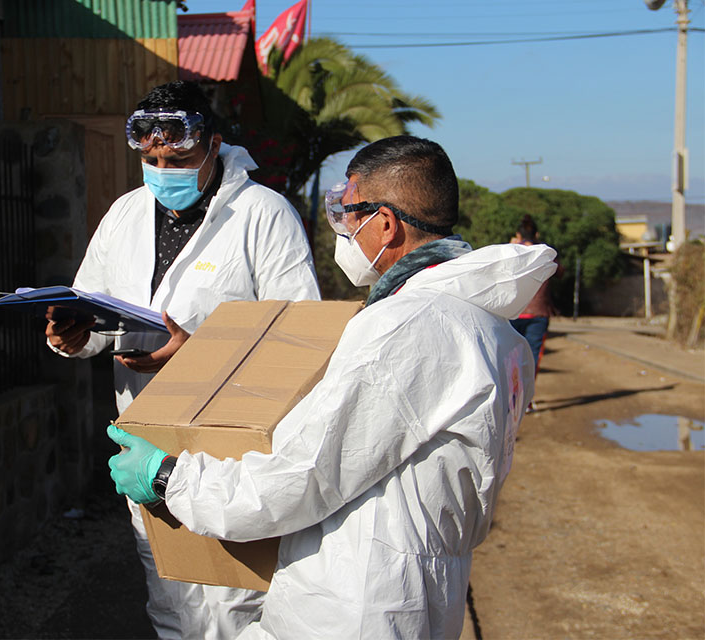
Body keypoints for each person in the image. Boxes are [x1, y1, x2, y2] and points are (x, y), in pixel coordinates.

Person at [107, 136, 557, 639]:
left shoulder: (409, 326)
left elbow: (304, 475)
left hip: (359, 602)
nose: (342, 231)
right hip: (417, 591)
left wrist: (170, 477)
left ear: (385, 224)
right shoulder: (491, 331)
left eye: (347, 216)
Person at [45, 81, 320, 639]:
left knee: (230, 606)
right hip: (143, 442)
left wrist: (196, 356)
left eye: (179, 158)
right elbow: (97, 307)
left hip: (227, 449)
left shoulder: (263, 215)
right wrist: (78, 337)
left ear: (214, 145)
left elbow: (300, 340)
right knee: (168, 597)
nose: (162, 169)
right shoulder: (125, 214)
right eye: (150, 158)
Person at [509, 214, 564, 378]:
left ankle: (512, 399)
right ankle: (527, 400)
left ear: (518, 235)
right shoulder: (545, 253)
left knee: (511, 358)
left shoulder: (511, 252)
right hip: (538, 312)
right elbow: (560, 272)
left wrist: (512, 245)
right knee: (532, 356)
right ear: (537, 235)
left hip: (513, 311)